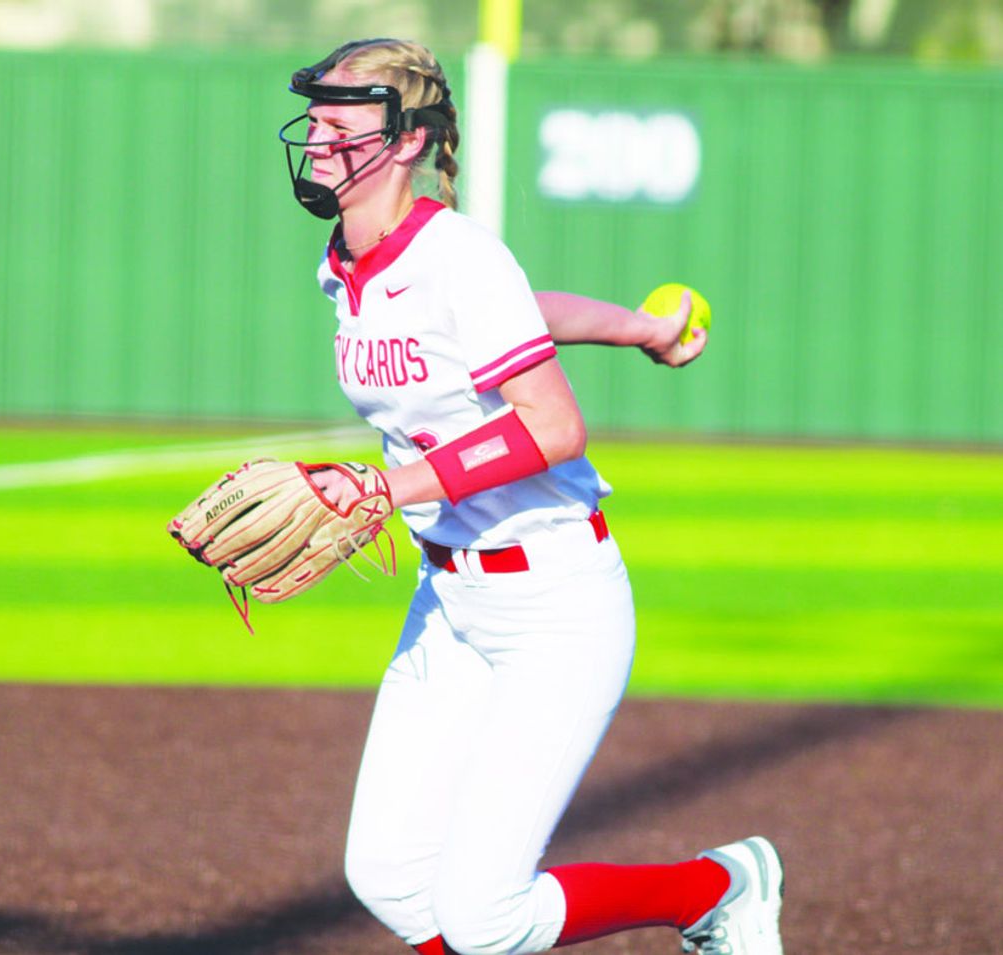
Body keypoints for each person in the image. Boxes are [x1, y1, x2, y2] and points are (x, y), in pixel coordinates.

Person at [276, 38, 785, 955]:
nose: (316, 136)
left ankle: (717, 889)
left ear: (404, 140)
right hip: (449, 602)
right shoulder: (345, 264)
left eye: (340, 121)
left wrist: (389, 488)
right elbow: (523, 308)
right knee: (386, 874)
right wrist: (640, 328)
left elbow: (555, 429)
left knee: (482, 917)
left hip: (556, 605)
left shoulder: (456, 254)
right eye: (313, 116)